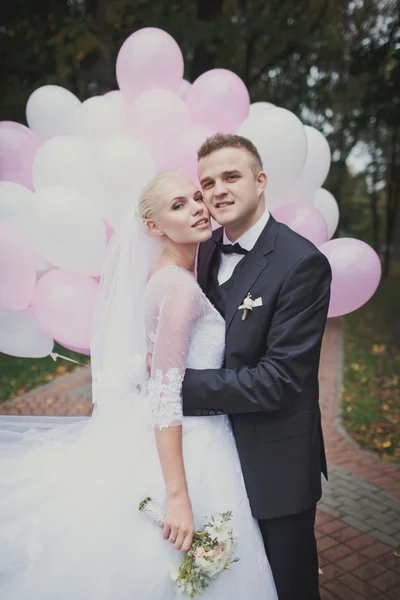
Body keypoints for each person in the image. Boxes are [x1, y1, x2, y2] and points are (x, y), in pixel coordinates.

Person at [0, 171, 277, 599]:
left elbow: (161, 364)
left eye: (195, 198)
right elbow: (166, 397)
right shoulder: (180, 289)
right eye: (178, 206)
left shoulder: (162, 275)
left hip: (188, 432)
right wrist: (179, 496)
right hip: (192, 443)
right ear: (154, 227)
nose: (198, 209)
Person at [182, 134, 332, 600]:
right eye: (207, 182)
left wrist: (175, 387)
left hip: (276, 460)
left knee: (288, 583)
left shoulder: (302, 263)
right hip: (212, 454)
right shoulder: (204, 248)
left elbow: (280, 380)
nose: (218, 190)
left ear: (261, 181)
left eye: (231, 176)